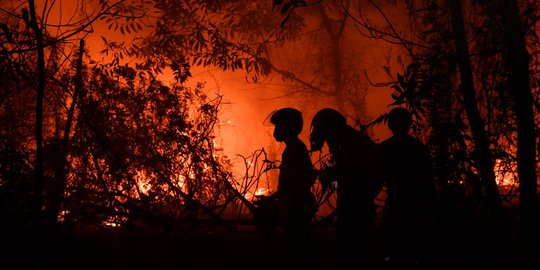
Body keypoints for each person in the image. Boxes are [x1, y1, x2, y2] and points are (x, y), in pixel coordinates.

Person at [309, 108, 382, 269]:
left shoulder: (350, 142)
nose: (327, 144)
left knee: (352, 250)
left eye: (326, 136)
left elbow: (353, 171)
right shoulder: (350, 139)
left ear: (330, 129)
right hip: (357, 203)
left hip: (356, 206)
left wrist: (330, 174)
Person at [257, 107, 316, 269]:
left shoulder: (294, 150)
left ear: (287, 127)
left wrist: (270, 200)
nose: (276, 130)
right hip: (296, 206)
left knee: (296, 252)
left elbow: (292, 185)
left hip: (296, 208)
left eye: (279, 126)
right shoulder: (295, 148)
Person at [377, 107, 437, 268]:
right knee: (414, 253)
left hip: (396, 207)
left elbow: (376, 178)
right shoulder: (419, 148)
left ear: (390, 125)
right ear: (409, 124)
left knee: (391, 253)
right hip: (417, 208)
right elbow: (429, 182)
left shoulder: (385, 149)